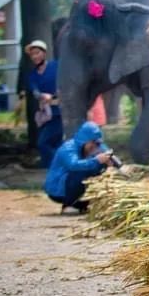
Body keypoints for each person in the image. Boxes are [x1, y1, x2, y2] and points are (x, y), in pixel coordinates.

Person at [43, 121, 114, 214]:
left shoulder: (95, 146)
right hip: (58, 190)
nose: (95, 146)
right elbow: (73, 165)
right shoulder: (68, 148)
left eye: (97, 143)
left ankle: (83, 204)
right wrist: (96, 160)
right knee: (83, 170)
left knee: (101, 165)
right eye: (93, 143)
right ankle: (69, 204)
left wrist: (110, 162)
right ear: (85, 140)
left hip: (75, 188)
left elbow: (106, 153)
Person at [25, 39, 64, 168]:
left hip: (60, 111)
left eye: (37, 53)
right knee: (53, 143)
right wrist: (41, 95)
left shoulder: (56, 66)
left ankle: (56, 166)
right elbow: (34, 91)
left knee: (44, 142)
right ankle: (58, 167)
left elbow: (64, 83)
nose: (35, 56)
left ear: (44, 53)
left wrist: (53, 95)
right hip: (46, 113)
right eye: (32, 54)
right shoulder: (32, 75)